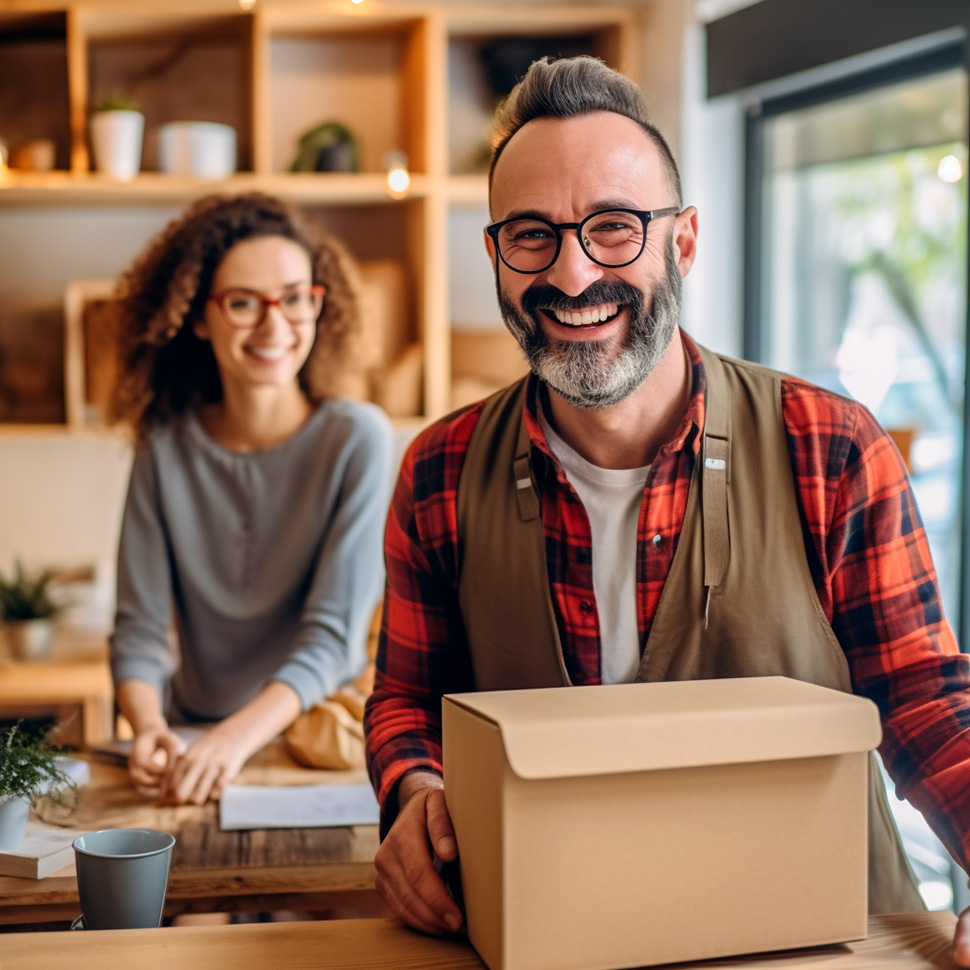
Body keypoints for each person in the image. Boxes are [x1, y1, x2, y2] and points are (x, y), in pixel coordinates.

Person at [363, 54, 970, 957]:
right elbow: (411, 700)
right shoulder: (437, 472)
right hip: (553, 933)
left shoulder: (830, 445)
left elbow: (924, 697)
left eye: (613, 228)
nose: (571, 276)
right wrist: (414, 794)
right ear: (495, 254)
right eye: (532, 234)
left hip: (831, 938)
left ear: (681, 243)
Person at [109, 192, 394, 806]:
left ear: (320, 304)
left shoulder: (358, 439)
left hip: (314, 746)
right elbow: (138, 630)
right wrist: (149, 727)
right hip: (194, 735)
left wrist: (232, 742)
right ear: (198, 316)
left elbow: (333, 640)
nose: (274, 326)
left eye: (295, 298)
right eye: (243, 303)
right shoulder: (163, 443)